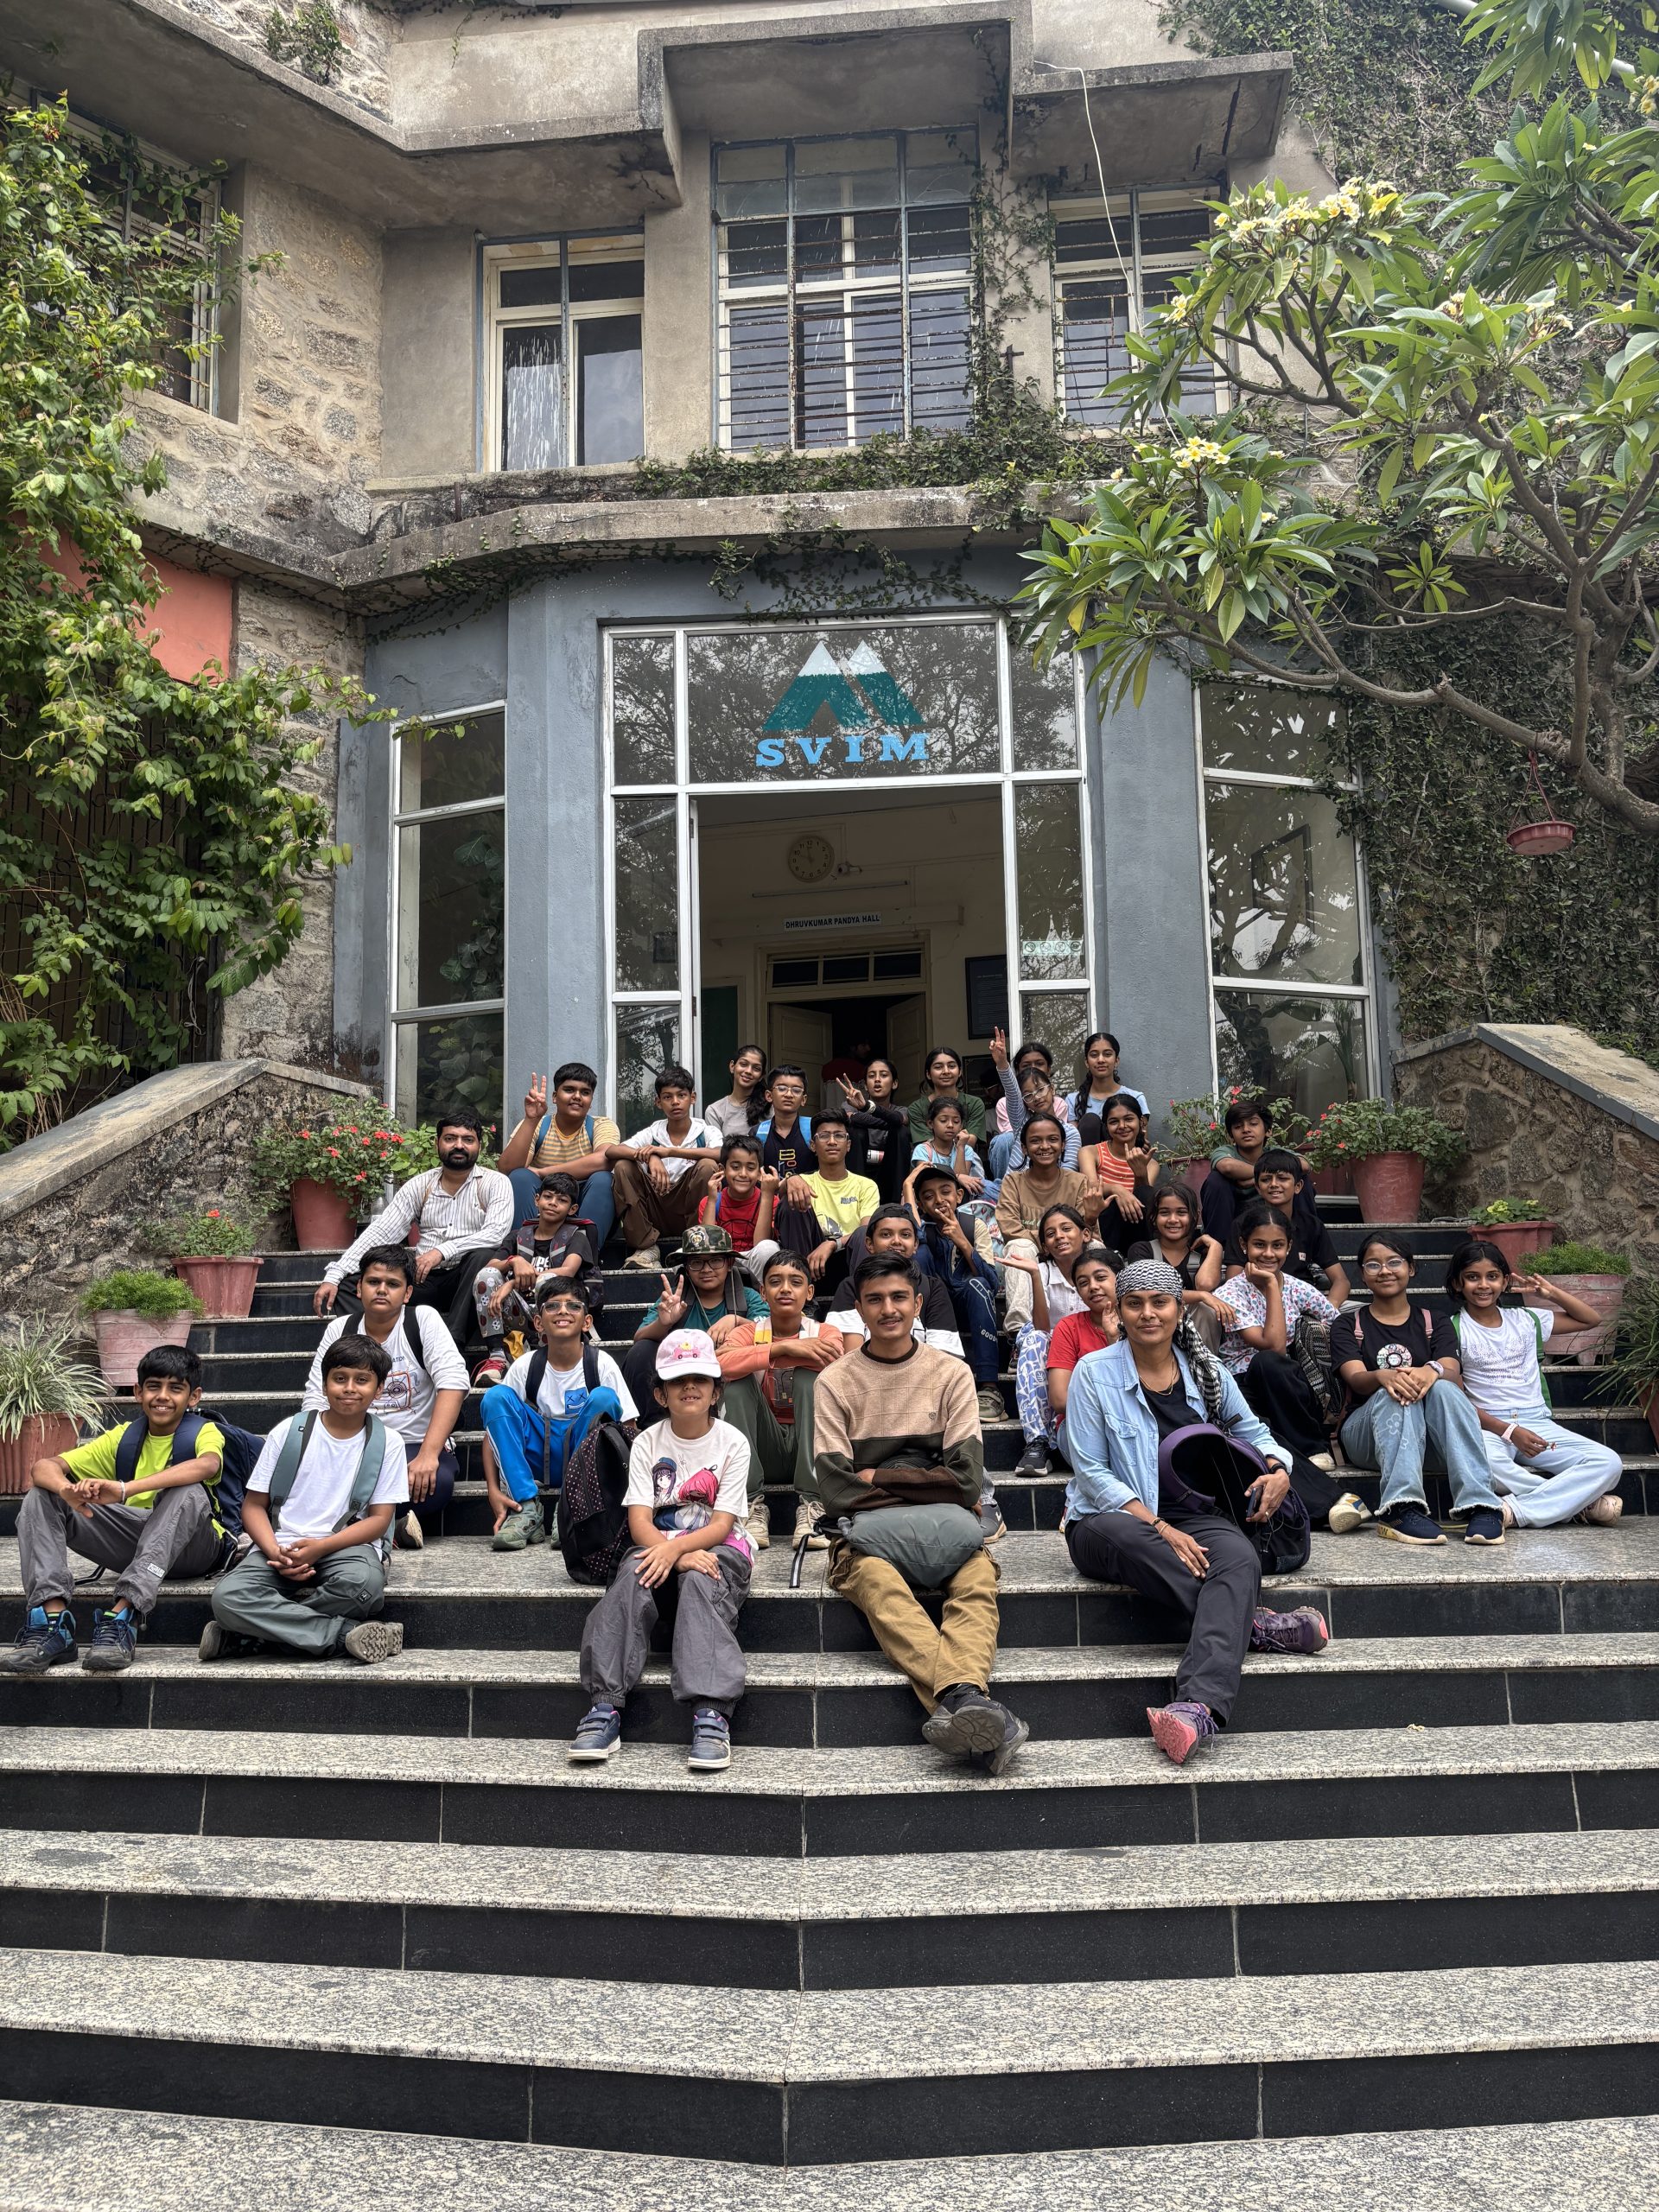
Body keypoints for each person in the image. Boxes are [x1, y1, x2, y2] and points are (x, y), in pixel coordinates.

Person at [1062, 1258, 1329, 1765]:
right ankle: (1251, 1625)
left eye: (1159, 1302)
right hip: (1111, 1519)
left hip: (1191, 1511)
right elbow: (1091, 1472)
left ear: (1178, 1309)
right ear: (1119, 1312)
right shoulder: (1093, 1373)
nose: (1148, 1314)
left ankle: (1197, 1708)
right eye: (1134, 1303)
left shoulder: (1205, 1370)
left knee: (1239, 1558)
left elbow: (1253, 1431)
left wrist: (1279, 1469)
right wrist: (1159, 1525)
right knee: (1136, 1538)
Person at [815, 1253, 1028, 1774]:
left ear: (917, 1303)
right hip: (866, 1540)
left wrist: (878, 1477)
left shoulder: (951, 1374)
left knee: (977, 1579)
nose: (888, 1309)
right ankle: (969, 1700)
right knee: (879, 1586)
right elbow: (837, 1492)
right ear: (859, 1309)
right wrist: (935, 1488)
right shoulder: (834, 1382)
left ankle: (962, 1705)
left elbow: (966, 1481)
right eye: (875, 1300)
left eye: (898, 1298)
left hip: (946, 1534)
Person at [568, 1330, 753, 1774]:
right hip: (658, 1543)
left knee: (702, 1578)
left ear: (715, 1391)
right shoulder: (648, 1442)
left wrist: (682, 1554)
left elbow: (722, 1525)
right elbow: (639, 1523)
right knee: (633, 1575)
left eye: (700, 1379)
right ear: (660, 1394)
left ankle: (711, 1713)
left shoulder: (733, 1442)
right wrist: (676, 1553)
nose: (689, 1387)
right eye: (677, 1381)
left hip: (719, 1547)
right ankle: (604, 1707)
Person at [1, 1345, 227, 1677]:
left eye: (175, 1388)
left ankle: (122, 1616)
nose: (162, 1396)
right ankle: (52, 1623)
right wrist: (67, 1491)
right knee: (41, 1495)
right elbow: (43, 1467)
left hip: (196, 1548)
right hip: (137, 1541)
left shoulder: (204, 1431)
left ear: (193, 1397)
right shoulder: (123, 1437)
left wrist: (124, 1489)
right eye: (153, 1386)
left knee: (188, 1491)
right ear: (138, 1392)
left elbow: (207, 1465)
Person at [204, 1334, 409, 1667]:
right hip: (279, 1546)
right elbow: (253, 1506)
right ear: (325, 1384)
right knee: (227, 1599)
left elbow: (379, 1521)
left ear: (379, 1388)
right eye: (340, 1378)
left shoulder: (389, 1443)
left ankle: (249, 1637)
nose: (349, 1388)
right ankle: (342, 1636)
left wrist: (321, 1548)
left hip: (345, 1546)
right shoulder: (288, 1432)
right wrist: (274, 1551)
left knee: (364, 1587)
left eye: (362, 1380)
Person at [1330, 1230, 1504, 1547]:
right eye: (1373, 1265)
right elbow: (1355, 1377)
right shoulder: (1348, 1324)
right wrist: (1383, 1377)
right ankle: (1399, 1509)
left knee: (1446, 1388)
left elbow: (1450, 1368)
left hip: (1429, 1441)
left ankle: (1481, 1505)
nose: (1384, 1271)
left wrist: (1430, 1371)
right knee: (1395, 1394)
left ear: (1410, 1268)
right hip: (1366, 1437)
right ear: (1362, 1275)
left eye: (1394, 1262)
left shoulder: (1434, 1322)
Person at [1445, 1238, 1624, 1529]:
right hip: (1489, 1427)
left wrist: (1552, 1293)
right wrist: (1509, 1431)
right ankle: (1582, 1504)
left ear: (1505, 1281)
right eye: (1473, 1277)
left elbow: (1590, 1319)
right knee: (1482, 1465)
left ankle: (1514, 1510)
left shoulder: (1527, 1319)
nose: (1483, 1285)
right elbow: (1455, 1397)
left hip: (1537, 1423)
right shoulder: (1452, 1329)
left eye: (1492, 1276)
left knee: (1609, 1463)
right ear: (1457, 1283)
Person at [303, 1243, 468, 1553]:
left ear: (407, 1293)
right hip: (353, 1441)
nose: (382, 1290)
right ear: (359, 1289)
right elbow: (316, 1395)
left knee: (437, 1483)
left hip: (413, 1444)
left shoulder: (422, 1320)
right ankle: (388, 1528)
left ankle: (355, 1526)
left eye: (392, 1284)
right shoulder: (341, 1329)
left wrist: (429, 1454)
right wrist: (317, 1451)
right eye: (373, 1281)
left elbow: (453, 1383)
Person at [1212, 1204, 1362, 1533]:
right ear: (1243, 1245)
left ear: (1289, 1247)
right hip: (1244, 1386)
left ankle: (1312, 1446)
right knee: (1254, 1433)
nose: (1268, 1253)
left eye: (1277, 1245)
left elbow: (1336, 1324)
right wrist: (1270, 1287)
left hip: (1287, 1387)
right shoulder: (1231, 1293)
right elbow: (1272, 1344)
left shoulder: (1297, 1286)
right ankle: (1334, 1502)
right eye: (1259, 1245)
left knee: (1275, 1366)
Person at [317, 1108, 514, 1353]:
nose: (459, 1145)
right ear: (437, 1144)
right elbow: (382, 1232)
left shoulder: (495, 1183)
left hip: (468, 1284)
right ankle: (369, 1350)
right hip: (423, 1279)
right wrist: (335, 1275)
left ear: (479, 1147)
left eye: (468, 1140)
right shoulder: (420, 1184)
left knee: (484, 1257)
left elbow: (496, 1233)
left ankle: (452, 1346)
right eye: (450, 1138)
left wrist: (442, 1251)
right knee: (350, 1284)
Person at [478, 1281, 634, 1551]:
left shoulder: (601, 1364)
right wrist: (493, 1488)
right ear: (538, 1323)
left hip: (586, 1461)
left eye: (573, 1306)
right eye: (552, 1306)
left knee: (604, 1398)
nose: (563, 1311)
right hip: (539, 1456)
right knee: (496, 1397)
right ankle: (526, 1508)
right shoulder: (526, 1366)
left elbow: (629, 1429)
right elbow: (495, 1430)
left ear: (586, 1322)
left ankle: (572, 1508)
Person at [718, 1250, 842, 1552]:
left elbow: (835, 1363)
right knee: (736, 1385)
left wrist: (766, 1355)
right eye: (775, 1282)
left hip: (809, 1447)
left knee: (810, 1378)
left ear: (809, 1292)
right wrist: (784, 1349)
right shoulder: (748, 1332)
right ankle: (750, 1504)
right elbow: (720, 1364)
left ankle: (812, 1503)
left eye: (795, 1282)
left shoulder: (826, 1332)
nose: (785, 1289)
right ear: (763, 1292)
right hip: (765, 1448)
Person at [471, 1173, 601, 1386]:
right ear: (537, 1200)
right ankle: (497, 1357)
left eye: (562, 1200)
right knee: (486, 1277)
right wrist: (514, 1261)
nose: (553, 1203)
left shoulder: (577, 1237)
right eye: (548, 1197)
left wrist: (511, 1283)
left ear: (572, 1209)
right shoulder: (518, 1236)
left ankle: (548, 1352)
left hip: (560, 1316)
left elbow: (568, 1271)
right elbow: (489, 1268)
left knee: (547, 1280)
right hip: (520, 1314)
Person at [1004, 1204, 1104, 1474]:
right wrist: (1035, 1276)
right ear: (1045, 1246)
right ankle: (1038, 1442)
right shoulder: (1044, 1270)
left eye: (1066, 1228)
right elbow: (1041, 1327)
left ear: (1085, 1235)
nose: (1059, 1236)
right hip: (1054, 1347)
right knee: (1034, 1338)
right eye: (1050, 1234)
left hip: (1092, 1347)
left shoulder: (1099, 1269)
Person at [620, 1224, 766, 1408]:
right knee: (641, 1351)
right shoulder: (675, 1298)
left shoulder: (747, 1297)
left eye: (715, 1261)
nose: (706, 1269)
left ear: (730, 1264)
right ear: (687, 1268)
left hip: (730, 1381)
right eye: (697, 1262)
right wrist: (664, 1323)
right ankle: (652, 1421)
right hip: (682, 1381)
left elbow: (770, 1334)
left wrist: (736, 1321)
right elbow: (639, 1338)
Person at [910, 1169, 1003, 1425]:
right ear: (920, 1205)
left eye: (946, 1192)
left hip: (968, 1304)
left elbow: (992, 1284)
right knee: (919, 1258)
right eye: (928, 1196)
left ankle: (989, 1387)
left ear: (959, 1195)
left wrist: (962, 1241)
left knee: (978, 1284)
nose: (939, 1200)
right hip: (933, 1309)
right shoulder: (920, 1231)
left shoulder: (974, 1225)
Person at [995, 1113, 1103, 1332]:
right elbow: (1010, 1229)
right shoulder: (1013, 1182)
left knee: (1096, 1247)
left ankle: (1101, 1321)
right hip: (1032, 1256)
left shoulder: (1078, 1182)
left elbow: (1087, 1233)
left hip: (1069, 1257)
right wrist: (1054, 1241)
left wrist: (1090, 1219)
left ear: (1063, 1145)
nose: (1045, 1146)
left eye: (1052, 1139)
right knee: (1018, 1246)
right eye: (1035, 1141)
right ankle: (1019, 1331)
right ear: (1024, 1148)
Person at [605, 1066, 720, 1271]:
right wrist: (652, 1156)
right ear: (658, 1102)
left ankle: (695, 1242)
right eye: (667, 1097)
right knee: (623, 1166)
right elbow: (612, 1151)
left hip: (689, 1210)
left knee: (707, 1166)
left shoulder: (705, 1131)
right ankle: (646, 1249)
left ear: (692, 1098)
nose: (675, 1102)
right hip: (656, 1208)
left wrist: (668, 1152)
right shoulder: (653, 1132)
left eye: (681, 1095)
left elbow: (721, 1153)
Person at [497, 1063, 620, 1253]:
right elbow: (508, 1168)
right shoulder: (540, 1125)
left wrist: (543, 1172)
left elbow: (604, 1159)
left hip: (583, 1205)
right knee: (520, 1177)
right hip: (542, 1205)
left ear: (591, 1100)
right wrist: (531, 1120)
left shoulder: (601, 1125)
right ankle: (524, 1253)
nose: (577, 1096)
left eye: (585, 1092)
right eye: (569, 1090)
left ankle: (583, 1256)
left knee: (603, 1179)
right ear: (555, 1097)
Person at [1221, 1148, 1350, 1306]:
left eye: (1282, 1178)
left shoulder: (1311, 1225)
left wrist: (1327, 1310)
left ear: (1298, 1186)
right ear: (1258, 1187)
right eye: (1266, 1179)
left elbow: (1341, 1281)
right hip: (1258, 1302)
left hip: (1304, 1302)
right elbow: (1233, 1284)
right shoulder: (1242, 1224)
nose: (1274, 1184)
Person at [1126, 1183, 1229, 1350]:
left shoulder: (1201, 1256)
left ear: (1195, 1216)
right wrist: (1201, 1295)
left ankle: (1204, 1363)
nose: (1173, 1220)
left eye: (1181, 1212)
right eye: (1164, 1213)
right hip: (1153, 1323)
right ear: (1153, 1217)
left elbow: (1205, 1285)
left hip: (1194, 1334)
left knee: (1205, 1309)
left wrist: (1216, 1247)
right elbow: (1150, 1291)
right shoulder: (1143, 1250)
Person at [1045, 1246, 1120, 1460]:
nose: (1093, 1287)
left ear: (1120, 1279)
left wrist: (1114, 1339)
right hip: (1081, 1423)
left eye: (1101, 1278)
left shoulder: (1141, 1322)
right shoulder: (1069, 1327)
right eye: (1083, 1283)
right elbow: (1060, 1399)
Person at [792, 1107, 880, 1287]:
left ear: (848, 1145)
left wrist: (833, 1244)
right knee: (789, 1205)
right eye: (824, 1136)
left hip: (849, 1257)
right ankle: (799, 1283)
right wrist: (790, 1180)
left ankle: (863, 1294)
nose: (832, 1142)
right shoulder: (801, 1183)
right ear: (813, 1145)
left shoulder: (866, 1186)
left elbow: (866, 1231)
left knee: (864, 1233)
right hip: (810, 1257)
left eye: (839, 1136)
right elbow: (777, 1190)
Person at [988, 1029, 1082, 1178]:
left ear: (1052, 1089)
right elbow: (1012, 1092)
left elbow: (1068, 1174)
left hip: (1053, 1188)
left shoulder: (1070, 1132)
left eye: (1040, 1090)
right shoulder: (1021, 1124)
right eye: (1028, 1095)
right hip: (1013, 1189)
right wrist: (1002, 1063)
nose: (1037, 1098)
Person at [1081, 1091, 1161, 1247]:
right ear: (1106, 1126)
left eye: (1129, 1119)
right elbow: (1091, 1186)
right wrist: (1116, 1189)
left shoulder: (1151, 1164)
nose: (1122, 1126)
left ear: (1142, 1122)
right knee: (1111, 1202)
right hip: (1103, 1225)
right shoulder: (1090, 1152)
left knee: (1146, 1193)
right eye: (1114, 1121)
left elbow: (1143, 1199)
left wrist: (1140, 1173)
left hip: (1135, 1229)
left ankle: (1141, 1253)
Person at [1200, 1096, 1281, 1245]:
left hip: (1271, 1215)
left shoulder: (1276, 1154)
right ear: (1231, 1136)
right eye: (1238, 1126)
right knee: (1216, 1180)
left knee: (1300, 1180)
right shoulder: (1225, 1152)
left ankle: (1304, 1243)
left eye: (1253, 1124)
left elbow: (1303, 1165)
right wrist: (1269, 1174)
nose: (1246, 1130)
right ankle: (1216, 1247)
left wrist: (1258, 1178)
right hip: (1230, 1218)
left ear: (1268, 1130)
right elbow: (1228, 1167)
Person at [837, 1055, 910, 1205]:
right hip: (859, 1170)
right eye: (871, 1076)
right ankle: (854, 1198)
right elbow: (853, 1118)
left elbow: (899, 1119)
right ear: (865, 1085)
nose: (877, 1080)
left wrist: (865, 1109)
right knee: (856, 1130)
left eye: (883, 1075)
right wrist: (890, 1121)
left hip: (890, 1175)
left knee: (900, 1131)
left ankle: (898, 1203)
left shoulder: (902, 1110)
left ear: (894, 1083)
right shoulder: (849, 1105)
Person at [699, 1135, 778, 1270]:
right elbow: (706, 1247)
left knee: (769, 1248)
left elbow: (762, 1245)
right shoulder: (710, 1201)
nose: (743, 1174)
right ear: (722, 1170)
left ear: (760, 1173)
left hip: (754, 1263)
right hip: (720, 1262)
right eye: (735, 1167)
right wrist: (712, 1201)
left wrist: (767, 1196)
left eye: (750, 1168)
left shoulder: (771, 1200)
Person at [906, 1095, 988, 1205]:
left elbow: (961, 1185)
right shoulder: (923, 1150)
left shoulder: (965, 1149)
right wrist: (957, 1177)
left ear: (961, 1126)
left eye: (956, 1121)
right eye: (943, 1120)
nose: (950, 1125)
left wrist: (960, 1147)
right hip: (932, 1202)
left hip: (959, 1201)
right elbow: (927, 1181)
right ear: (930, 1124)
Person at [906, 1046, 988, 1147]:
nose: (946, 1071)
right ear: (928, 1074)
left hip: (965, 1157)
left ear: (959, 1071)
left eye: (951, 1066)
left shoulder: (974, 1104)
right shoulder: (917, 1108)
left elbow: (969, 1143)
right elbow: (927, 1148)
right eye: (938, 1067)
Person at [1067, 1031, 1149, 1124]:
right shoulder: (1073, 1101)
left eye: (1107, 1054)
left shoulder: (1136, 1098)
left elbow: (1141, 1133)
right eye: (1094, 1055)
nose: (1101, 1060)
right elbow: (1073, 1134)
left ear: (1116, 1061)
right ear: (1087, 1062)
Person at [992, 1037, 1070, 1135]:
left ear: (1048, 1069)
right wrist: (1002, 1063)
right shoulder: (1005, 1104)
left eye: (1039, 1064)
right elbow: (1012, 1137)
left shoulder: (1059, 1104)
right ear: (1018, 1071)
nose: (1033, 1069)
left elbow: (1056, 1134)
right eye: (1026, 1066)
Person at [704, 1044, 768, 1143]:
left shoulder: (770, 1108)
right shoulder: (715, 1111)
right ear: (732, 1066)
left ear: (761, 1076)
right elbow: (716, 1149)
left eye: (756, 1068)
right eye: (743, 1064)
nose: (748, 1071)